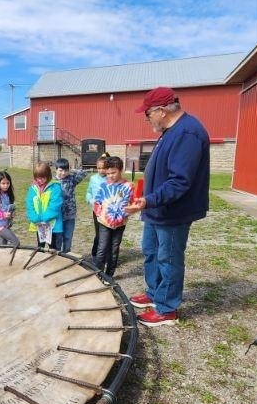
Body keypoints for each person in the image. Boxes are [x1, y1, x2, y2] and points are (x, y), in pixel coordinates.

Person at [125, 87, 210, 327]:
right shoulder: (170, 131)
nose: (147, 118)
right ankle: (155, 293)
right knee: (151, 252)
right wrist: (144, 196)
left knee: (169, 258)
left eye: (148, 114)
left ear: (162, 111)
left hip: (173, 211)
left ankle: (167, 309)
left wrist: (149, 200)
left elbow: (180, 181)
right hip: (156, 208)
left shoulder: (188, 133)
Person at [93, 156, 133, 278]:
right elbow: (97, 202)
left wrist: (122, 216)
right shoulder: (104, 185)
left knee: (114, 249)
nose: (110, 176)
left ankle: (109, 276)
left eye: (113, 172)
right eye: (108, 173)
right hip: (104, 223)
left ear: (121, 170)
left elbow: (132, 204)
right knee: (102, 248)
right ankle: (97, 275)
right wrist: (99, 213)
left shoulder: (128, 186)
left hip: (120, 224)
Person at [25, 162, 63, 250]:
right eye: (38, 178)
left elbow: (55, 206)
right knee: (40, 247)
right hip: (39, 224)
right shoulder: (33, 188)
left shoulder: (55, 187)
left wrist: (44, 218)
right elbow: (30, 204)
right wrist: (35, 218)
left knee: (53, 248)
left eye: (43, 177)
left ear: (48, 175)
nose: (40, 180)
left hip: (52, 224)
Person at [54, 158, 87, 253]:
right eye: (61, 170)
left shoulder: (72, 179)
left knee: (68, 237)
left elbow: (84, 173)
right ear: (56, 169)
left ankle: (67, 254)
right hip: (57, 215)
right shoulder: (52, 181)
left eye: (66, 170)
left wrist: (72, 170)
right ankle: (57, 256)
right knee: (58, 238)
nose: (63, 173)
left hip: (70, 215)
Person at [85, 153, 110, 262]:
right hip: (97, 211)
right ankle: (95, 254)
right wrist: (91, 201)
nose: (101, 170)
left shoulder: (111, 178)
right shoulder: (93, 178)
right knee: (99, 234)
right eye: (99, 168)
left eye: (103, 168)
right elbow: (88, 193)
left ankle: (107, 256)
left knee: (108, 234)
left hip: (108, 211)